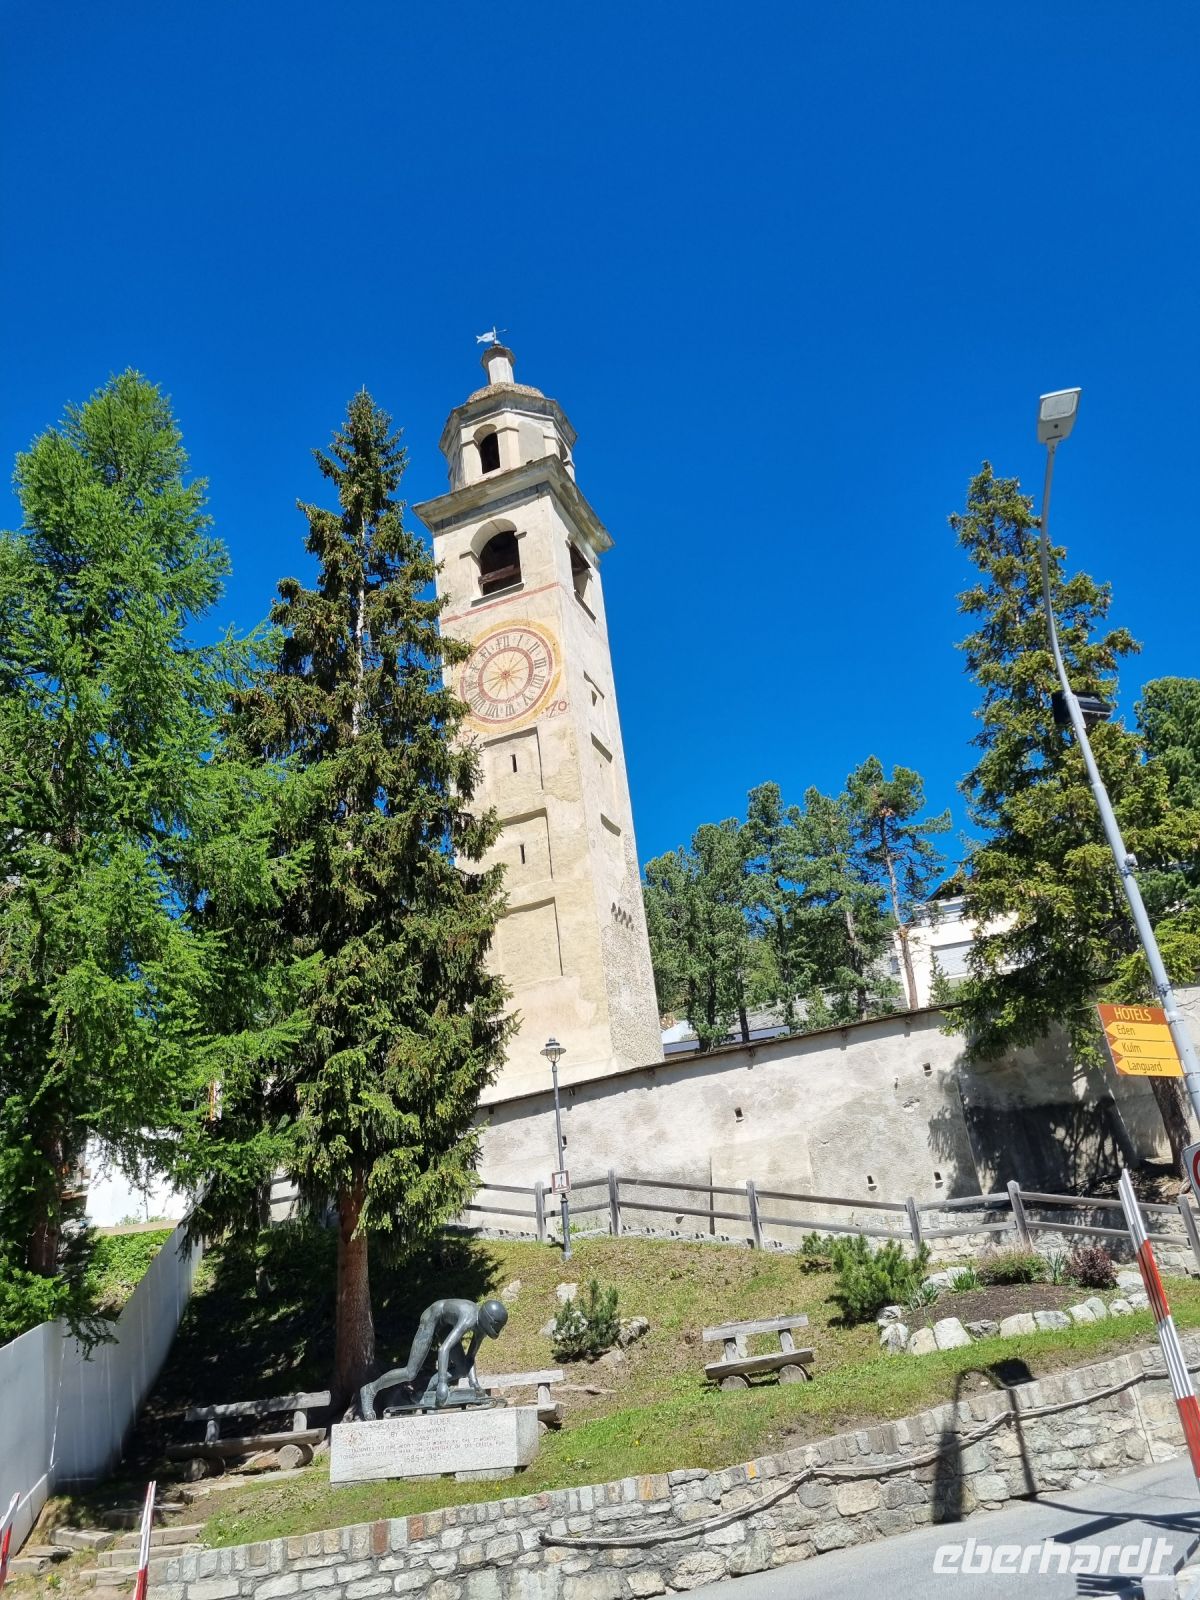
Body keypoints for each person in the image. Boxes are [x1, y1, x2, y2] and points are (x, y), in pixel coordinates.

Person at [359, 1296, 508, 1419]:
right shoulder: (468, 1318)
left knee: (462, 1369)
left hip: (446, 1324)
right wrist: (442, 1383)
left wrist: (475, 1385)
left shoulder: (481, 1326)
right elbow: (444, 1349)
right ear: (487, 1320)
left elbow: (471, 1357)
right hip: (431, 1319)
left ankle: (423, 1394)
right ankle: (370, 1389)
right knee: (410, 1372)